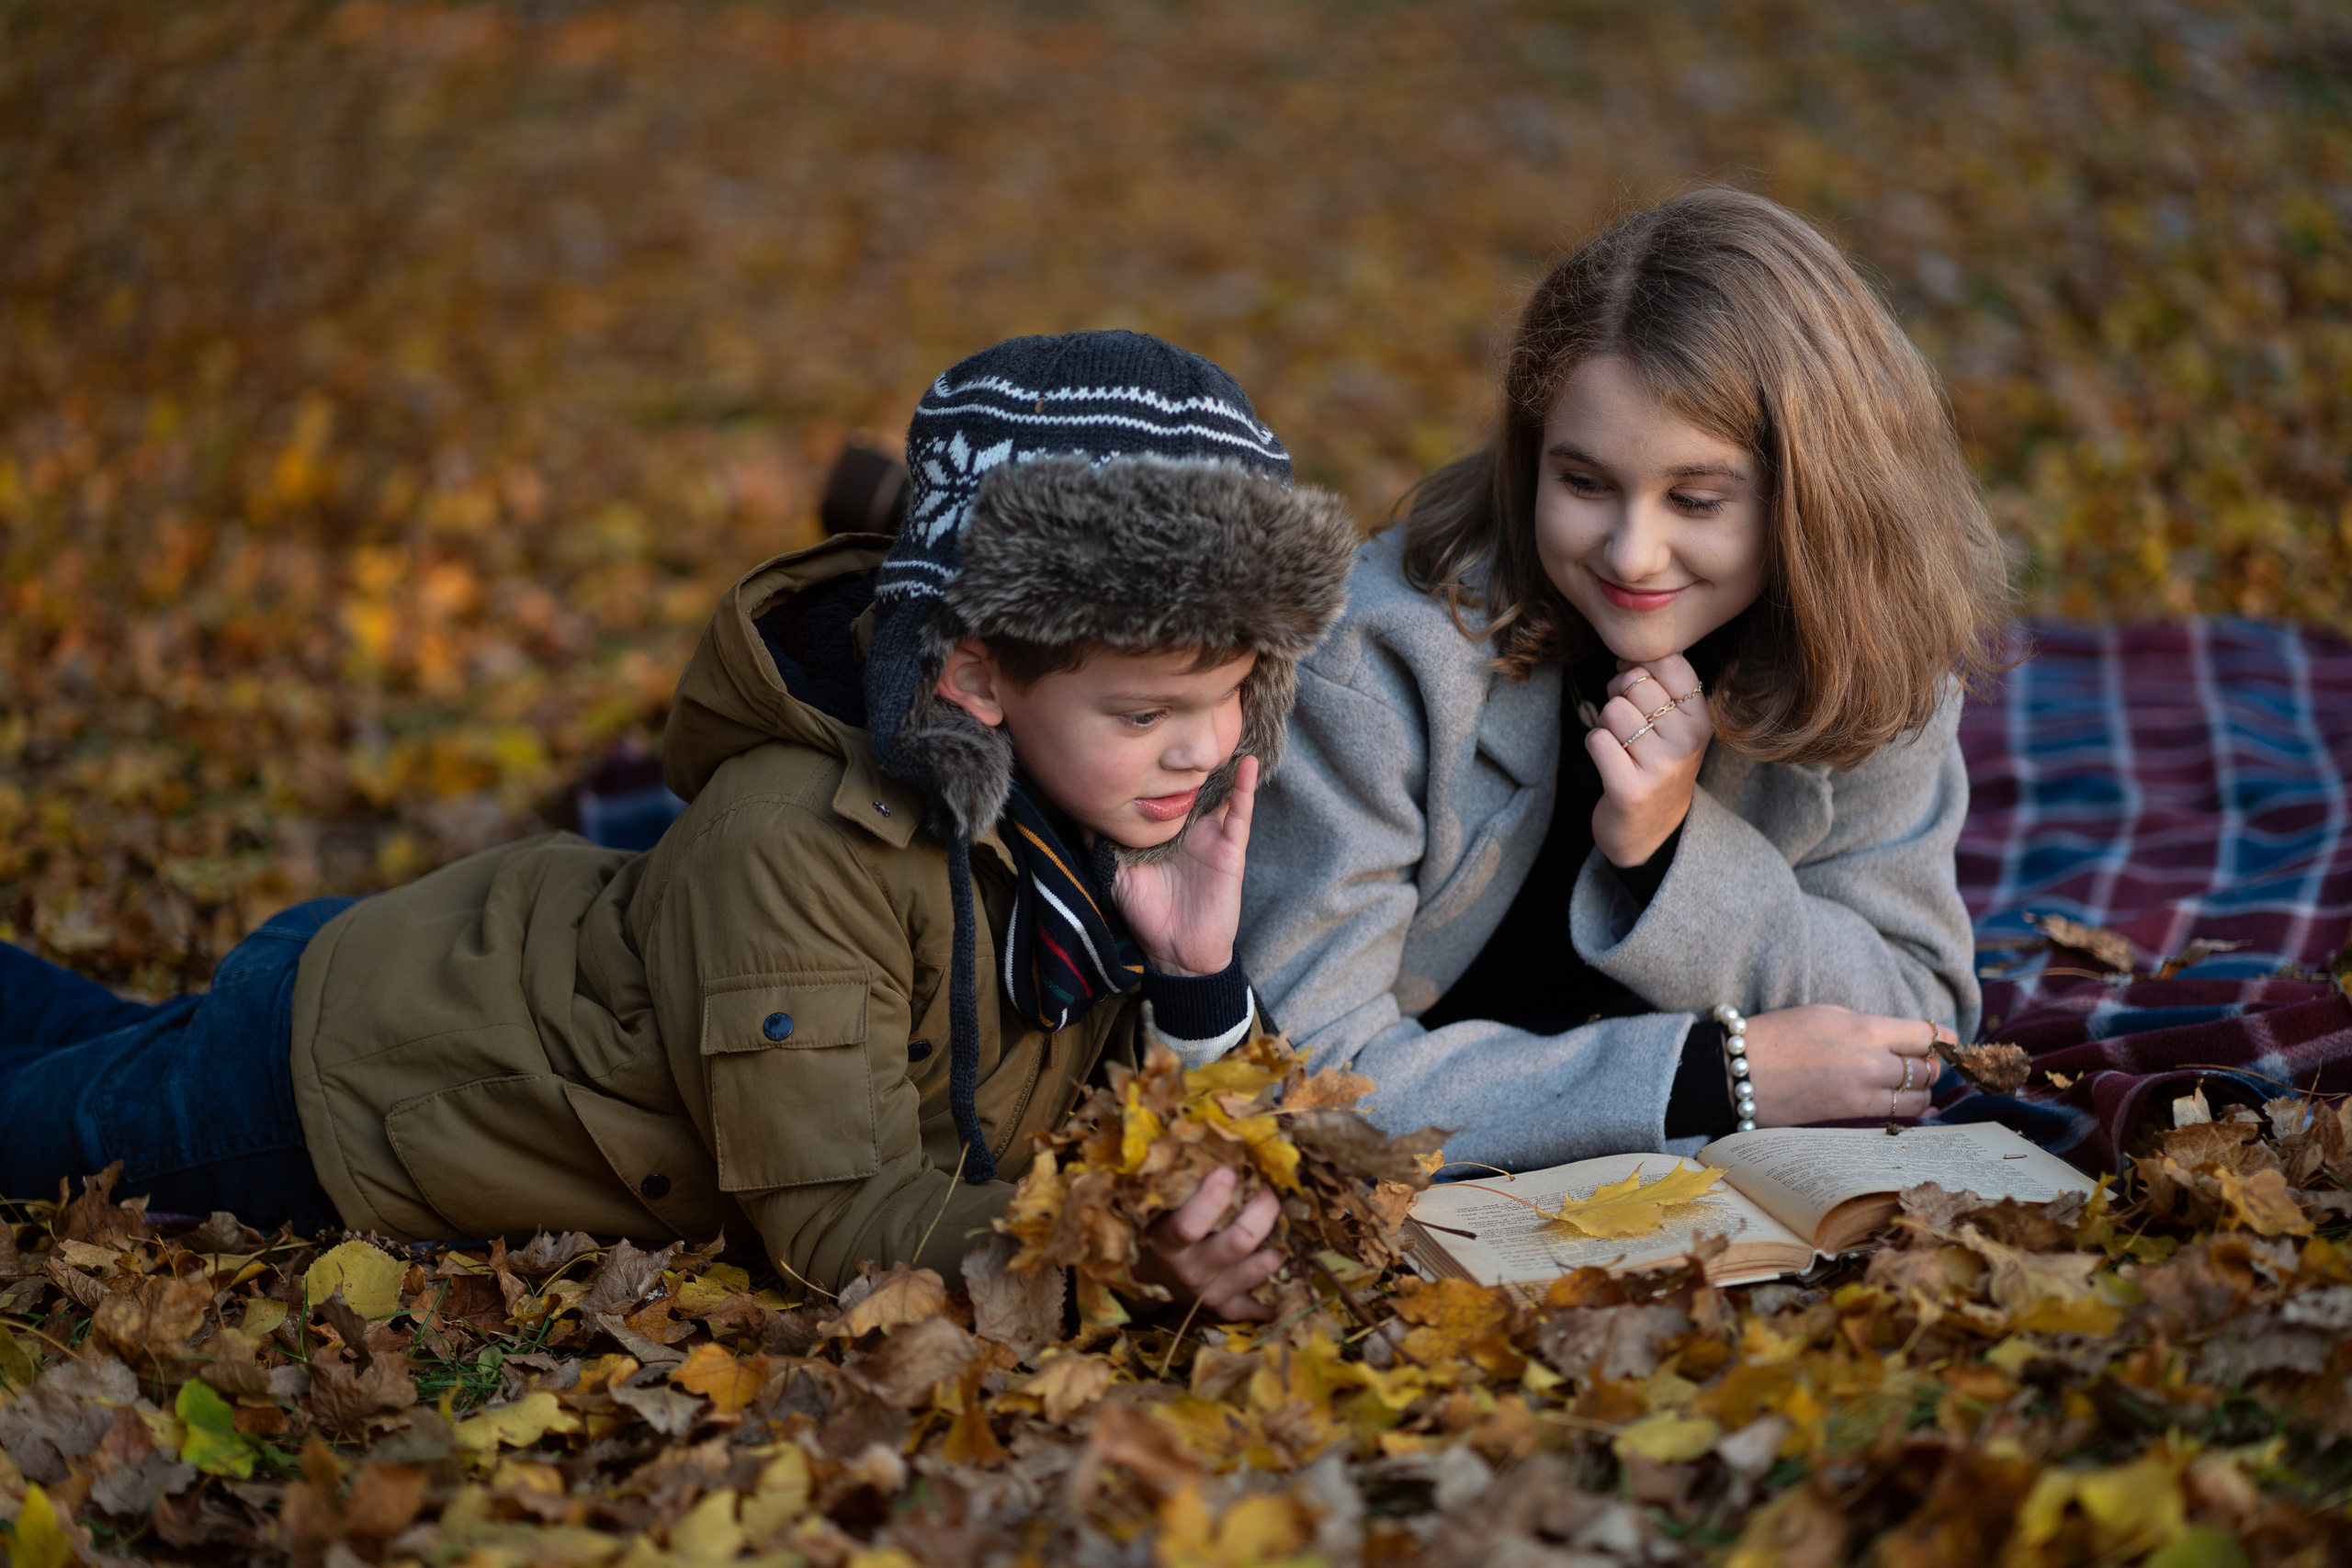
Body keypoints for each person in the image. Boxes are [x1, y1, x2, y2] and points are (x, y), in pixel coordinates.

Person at [1, 331, 1358, 1320]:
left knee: (64, 1026)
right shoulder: (798, 840)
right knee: (32, 1127)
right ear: (975, 673)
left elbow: (1207, 1142)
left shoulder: (1112, 813)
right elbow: (831, 1222)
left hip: (438, 979)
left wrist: (1194, 981)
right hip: (349, 1086)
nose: (1208, 747)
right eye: (1145, 711)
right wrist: (1110, 1246)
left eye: (1235, 696)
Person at [1237, 187, 2009, 1173]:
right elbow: (1304, 1079)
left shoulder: (1871, 655)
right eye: (1584, 482)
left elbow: (1915, 1025)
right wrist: (1708, 1075)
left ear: (1817, 497)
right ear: (1531, 456)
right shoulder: (1382, 661)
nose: (1632, 553)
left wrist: (1672, 849)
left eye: (1695, 498)